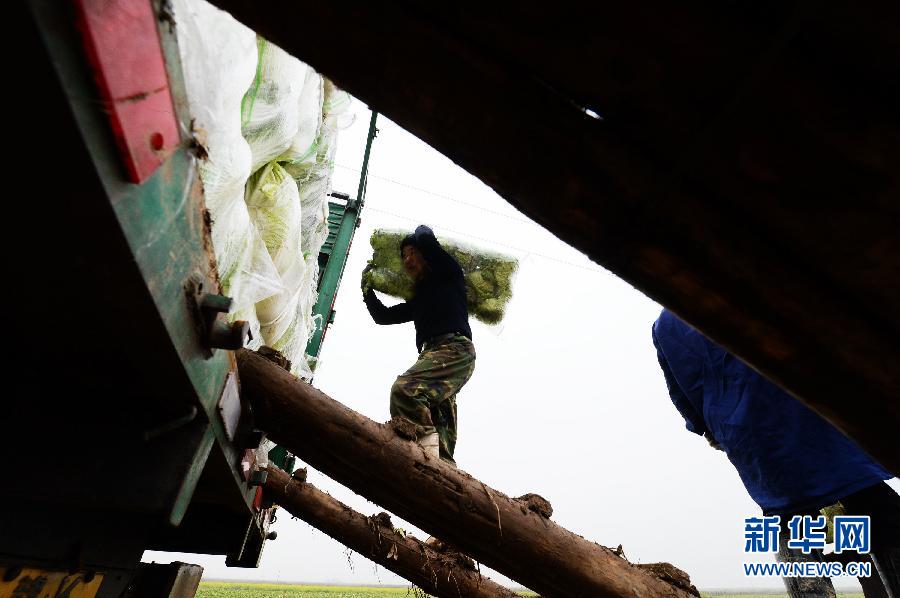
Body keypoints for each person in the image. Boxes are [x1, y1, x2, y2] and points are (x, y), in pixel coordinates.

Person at [652, 308, 899, 597]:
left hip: (750, 434)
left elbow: (683, 394)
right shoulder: (741, 282)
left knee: (790, 518)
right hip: (812, 413)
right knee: (871, 500)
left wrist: (711, 428)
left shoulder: (666, 325)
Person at [363, 225, 476, 465]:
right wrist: (367, 292)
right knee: (440, 423)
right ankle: (443, 468)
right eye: (403, 256)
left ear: (425, 253)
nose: (407, 259)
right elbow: (383, 316)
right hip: (432, 354)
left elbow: (426, 238)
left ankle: (421, 451)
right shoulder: (419, 298)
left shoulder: (449, 273)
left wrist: (420, 233)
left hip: (454, 349)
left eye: (411, 252)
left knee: (405, 390)